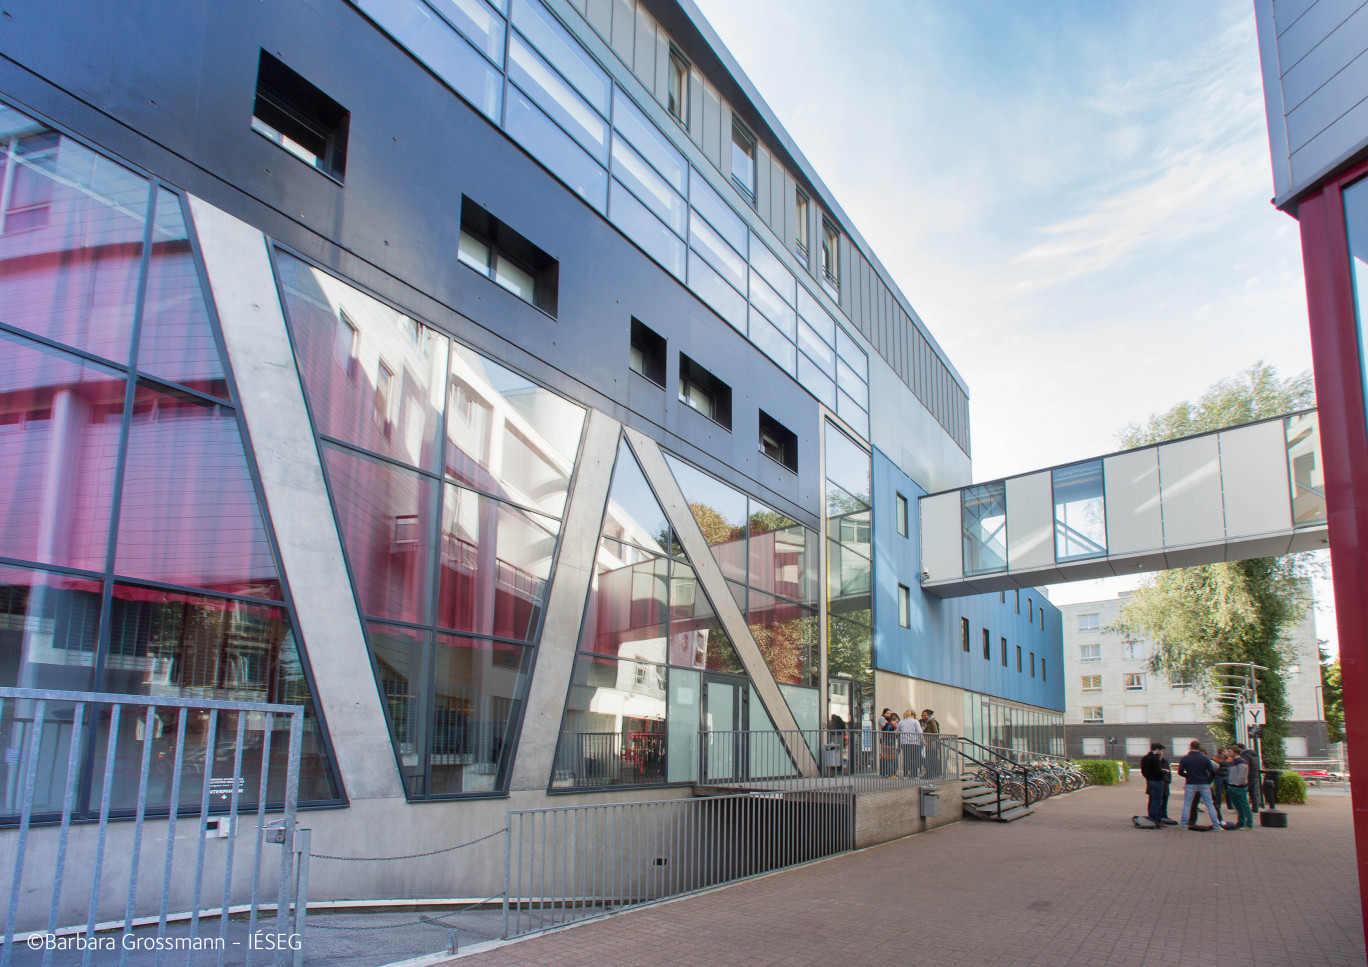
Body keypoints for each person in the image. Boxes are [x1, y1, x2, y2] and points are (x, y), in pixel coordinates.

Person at [1176, 741, 1224, 831]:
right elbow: (1212, 771)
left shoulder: (1184, 758)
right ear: (1199, 747)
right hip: (1204, 783)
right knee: (1210, 804)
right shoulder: (1205, 758)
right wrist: (1208, 780)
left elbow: (1180, 771)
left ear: (1190, 747)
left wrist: (1188, 776)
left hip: (1190, 783)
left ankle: (1183, 824)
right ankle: (1216, 825)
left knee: (1187, 803)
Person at [1139, 742, 1173, 825]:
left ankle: (1151, 817)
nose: (1160, 752)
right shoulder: (1154, 758)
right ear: (1157, 749)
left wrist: (1148, 777)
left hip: (1149, 781)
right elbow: (1157, 771)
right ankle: (1156, 819)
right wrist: (1164, 772)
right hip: (1157, 781)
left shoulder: (1145, 758)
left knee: (1151, 800)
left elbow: (1143, 771)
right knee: (1157, 801)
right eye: (1160, 750)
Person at [1225, 750, 1255, 829]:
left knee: (1244, 806)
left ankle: (1249, 823)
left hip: (1238, 787)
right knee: (1239, 806)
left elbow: (1241, 775)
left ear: (1236, 752)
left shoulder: (1241, 762)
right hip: (1232, 785)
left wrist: (1237, 784)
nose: (1228, 753)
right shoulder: (1233, 762)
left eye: (1230, 751)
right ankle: (1241, 822)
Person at [896, 708, 924, 778]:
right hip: (915, 742)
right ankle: (914, 775)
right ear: (913, 715)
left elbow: (896, 731)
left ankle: (905, 775)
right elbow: (919, 732)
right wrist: (923, 741)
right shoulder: (915, 722)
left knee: (906, 759)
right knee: (915, 759)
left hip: (904, 742)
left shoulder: (901, 722)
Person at [1235, 743, 1263, 812]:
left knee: (1242, 792)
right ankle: (1255, 808)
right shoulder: (1254, 754)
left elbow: (1244, 766)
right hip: (1255, 775)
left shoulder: (1244, 755)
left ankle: (1242, 808)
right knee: (1253, 793)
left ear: (1240, 748)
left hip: (1248, 776)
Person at [920, 709, 940, 777]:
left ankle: (932, 773)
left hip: (931, 743)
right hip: (926, 743)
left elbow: (935, 732)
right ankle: (930, 773)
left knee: (932, 758)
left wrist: (930, 738)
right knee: (928, 758)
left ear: (929, 715)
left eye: (925, 715)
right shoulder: (923, 722)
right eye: (922, 715)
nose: (923, 716)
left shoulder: (932, 722)